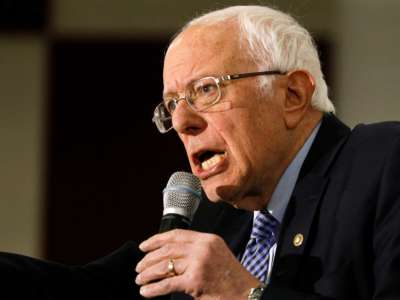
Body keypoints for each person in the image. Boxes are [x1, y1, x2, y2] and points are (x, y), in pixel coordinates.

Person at [136, 5, 400, 300]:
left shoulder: (387, 161)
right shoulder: (214, 221)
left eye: (206, 89)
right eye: (173, 104)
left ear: (293, 95)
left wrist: (244, 293)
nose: (181, 122)